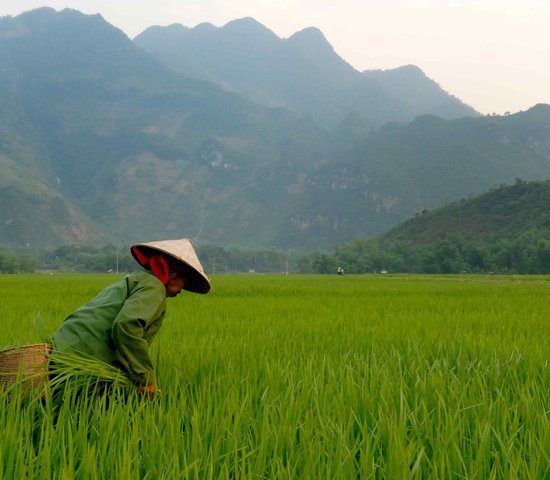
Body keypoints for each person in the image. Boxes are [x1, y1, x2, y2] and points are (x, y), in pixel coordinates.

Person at [52, 238, 211, 399]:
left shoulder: (137, 279)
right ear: (174, 273)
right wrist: (145, 379)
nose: (182, 290)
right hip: (86, 357)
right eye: (185, 281)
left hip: (64, 348)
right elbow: (127, 325)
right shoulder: (154, 287)